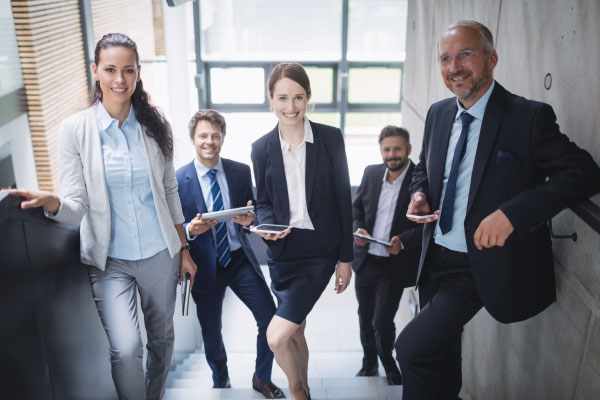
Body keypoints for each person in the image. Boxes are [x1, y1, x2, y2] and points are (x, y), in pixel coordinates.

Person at [394, 20, 600, 399]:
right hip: (434, 259)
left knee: (410, 350)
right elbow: (424, 166)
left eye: (465, 55)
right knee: (439, 355)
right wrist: (419, 193)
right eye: (445, 58)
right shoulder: (440, 113)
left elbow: (585, 172)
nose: (454, 67)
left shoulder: (528, 117)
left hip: (477, 267)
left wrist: (513, 214)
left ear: (492, 58)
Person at [5, 33, 196, 400]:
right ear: (96, 71)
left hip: (161, 255)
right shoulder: (74, 130)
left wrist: (184, 249)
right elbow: (76, 205)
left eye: (127, 70)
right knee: (125, 350)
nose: (119, 80)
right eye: (110, 70)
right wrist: (52, 201)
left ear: (138, 73)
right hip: (111, 263)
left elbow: (170, 191)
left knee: (162, 338)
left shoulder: (155, 125)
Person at [250, 63, 353, 400]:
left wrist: (345, 260)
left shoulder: (330, 138)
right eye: (282, 98)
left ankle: (297, 391)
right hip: (283, 253)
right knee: (296, 331)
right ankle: (305, 386)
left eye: (298, 97)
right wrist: (266, 225)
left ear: (308, 97)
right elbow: (263, 201)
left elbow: (343, 200)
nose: (290, 106)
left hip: (319, 252)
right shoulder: (261, 148)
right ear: (271, 99)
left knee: (277, 336)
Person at [175, 109, 285, 399]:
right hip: (203, 265)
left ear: (222, 138)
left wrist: (251, 222)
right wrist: (190, 230)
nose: (209, 141)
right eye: (203, 136)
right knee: (211, 332)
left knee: (269, 318)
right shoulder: (177, 179)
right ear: (192, 139)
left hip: (238, 260)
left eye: (215, 135)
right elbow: (173, 226)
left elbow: (255, 210)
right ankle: (220, 380)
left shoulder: (239, 171)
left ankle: (262, 377)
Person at [352, 126, 421, 385]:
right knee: (365, 316)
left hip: (394, 265)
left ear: (408, 150)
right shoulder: (371, 173)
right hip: (366, 259)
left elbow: (427, 225)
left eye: (397, 149)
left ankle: (389, 366)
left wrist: (403, 241)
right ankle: (368, 363)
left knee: (382, 321)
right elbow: (357, 206)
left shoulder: (419, 180)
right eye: (387, 149)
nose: (392, 155)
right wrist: (358, 228)